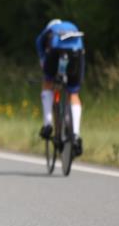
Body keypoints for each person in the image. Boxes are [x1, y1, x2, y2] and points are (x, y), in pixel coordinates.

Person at [36, 18, 85, 155]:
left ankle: (48, 124)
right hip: (76, 53)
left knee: (47, 84)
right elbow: (82, 53)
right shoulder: (72, 27)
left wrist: (43, 63)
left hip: (55, 52)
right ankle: (75, 134)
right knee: (74, 93)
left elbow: (40, 46)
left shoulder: (49, 31)